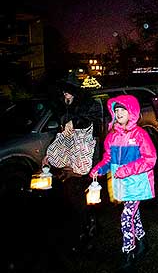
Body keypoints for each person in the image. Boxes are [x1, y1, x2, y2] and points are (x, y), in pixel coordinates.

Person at [90, 95, 157, 270]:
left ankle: (129, 253)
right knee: (134, 215)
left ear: (132, 112)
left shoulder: (140, 134)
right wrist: (99, 169)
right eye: (116, 110)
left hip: (136, 183)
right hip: (121, 184)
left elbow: (150, 159)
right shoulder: (112, 136)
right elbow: (108, 158)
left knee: (126, 217)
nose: (119, 113)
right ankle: (143, 242)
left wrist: (126, 170)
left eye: (123, 110)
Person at [44, 75, 101, 253]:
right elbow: (63, 137)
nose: (65, 94)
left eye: (68, 91)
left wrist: (74, 122)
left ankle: (89, 231)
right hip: (70, 163)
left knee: (83, 196)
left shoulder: (89, 104)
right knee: (71, 197)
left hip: (87, 160)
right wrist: (50, 154)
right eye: (64, 91)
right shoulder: (65, 107)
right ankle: (81, 230)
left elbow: (92, 123)